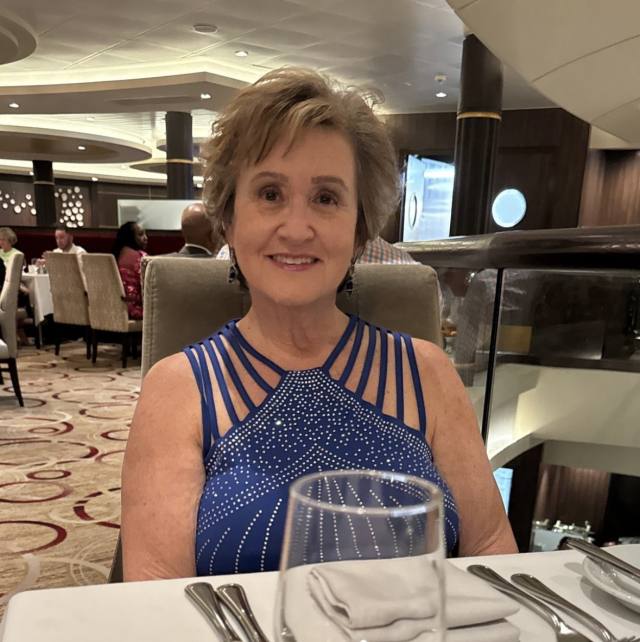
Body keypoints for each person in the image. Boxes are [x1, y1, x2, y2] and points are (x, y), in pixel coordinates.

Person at [121, 68, 516, 581]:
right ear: (230, 221)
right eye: (270, 193)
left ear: (359, 231)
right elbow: (157, 598)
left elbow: (491, 546)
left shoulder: (428, 372)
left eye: (326, 198)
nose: (296, 228)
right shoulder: (177, 390)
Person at [112, 222, 148, 320]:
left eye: (145, 234)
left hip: (116, 309)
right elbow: (151, 286)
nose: (146, 238)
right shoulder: (142, 258)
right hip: (136, 310)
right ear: (130, 237)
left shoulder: (116, 255)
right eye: (140, 234)